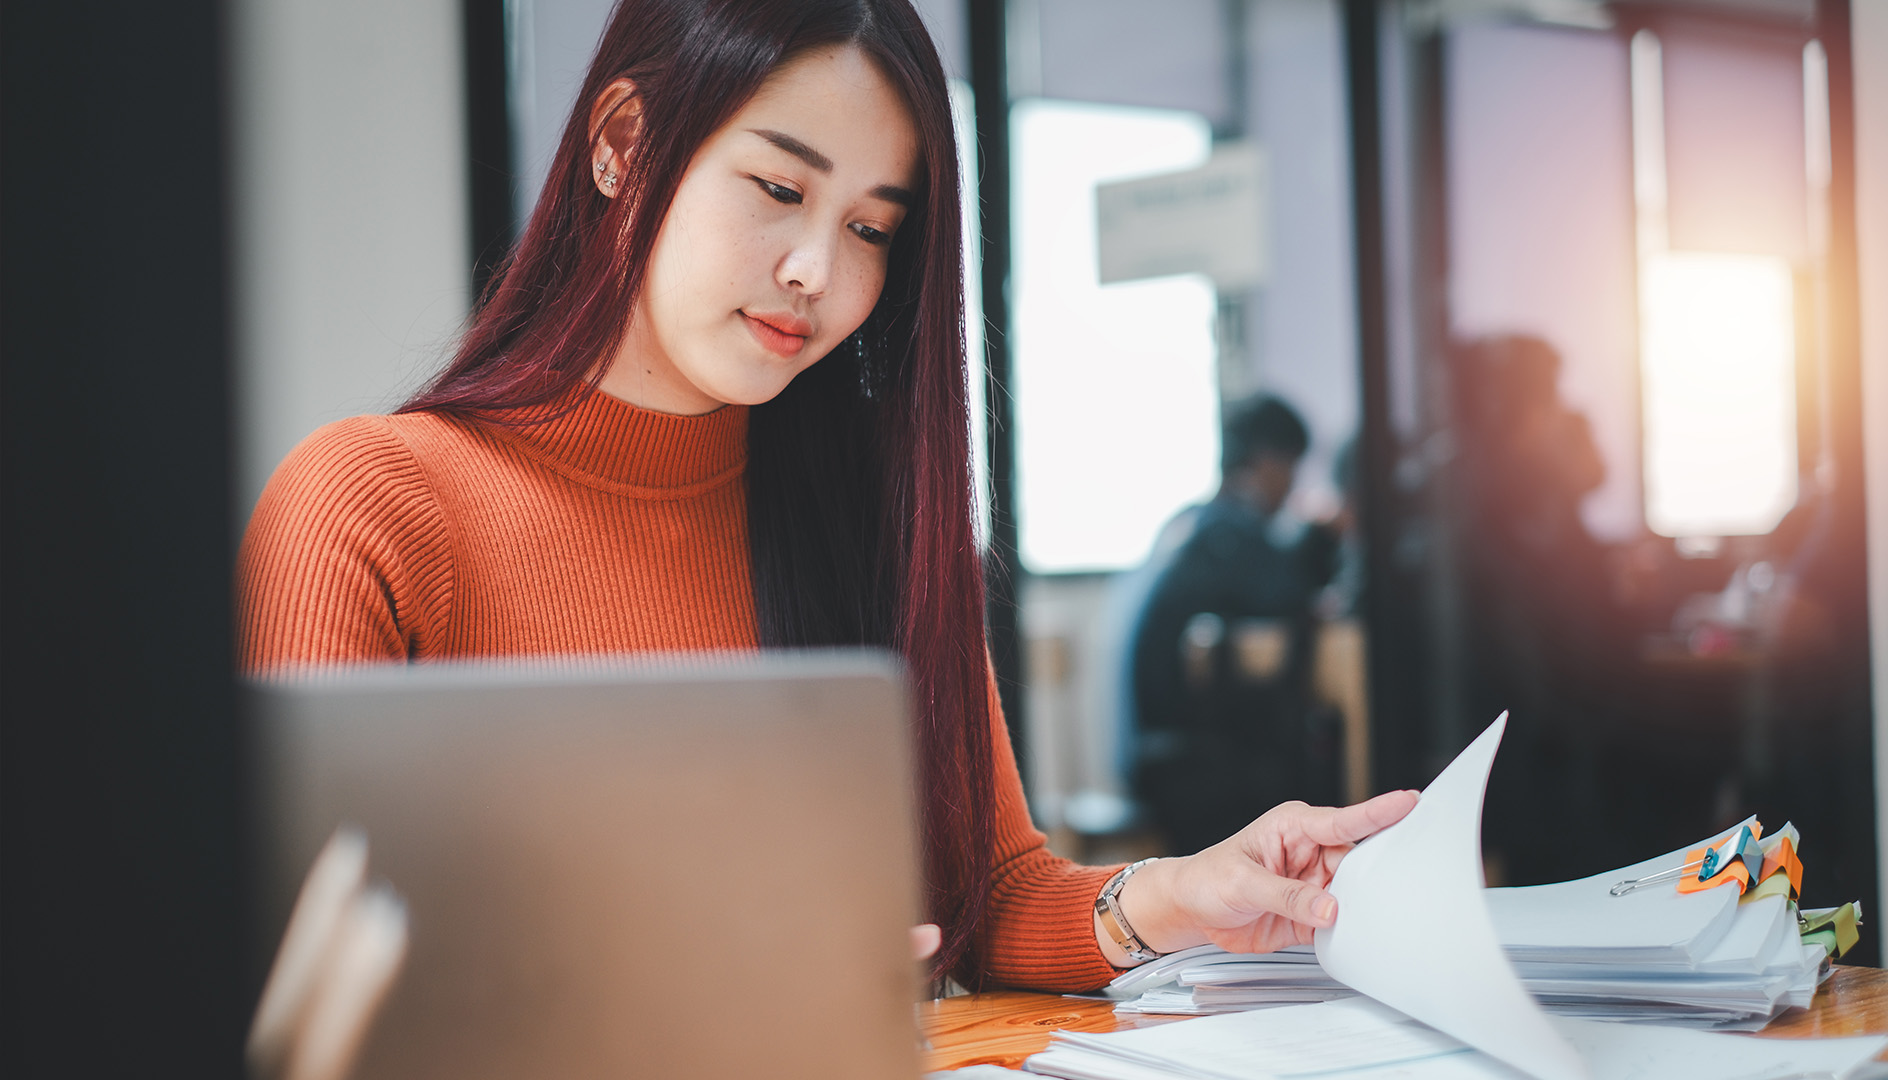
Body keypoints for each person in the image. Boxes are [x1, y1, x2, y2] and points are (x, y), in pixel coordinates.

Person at [237, 0, 1415, 993]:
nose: (820, 273)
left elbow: (991, 895)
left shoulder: (872, 526)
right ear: (621, 143)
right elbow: (292, 986)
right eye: (775, 189)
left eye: (870, 229)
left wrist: (1177, 893)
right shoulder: (370, 507)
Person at [1127, 395, 1345, 855]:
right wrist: (1329, 531)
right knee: (1326, 774)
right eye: (1291, 470)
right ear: (1268, 462)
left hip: (1157, 755)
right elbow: (1291, 590)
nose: (1291, 489)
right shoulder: (1229, 534)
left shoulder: (1193, 523)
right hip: (1188, 772)